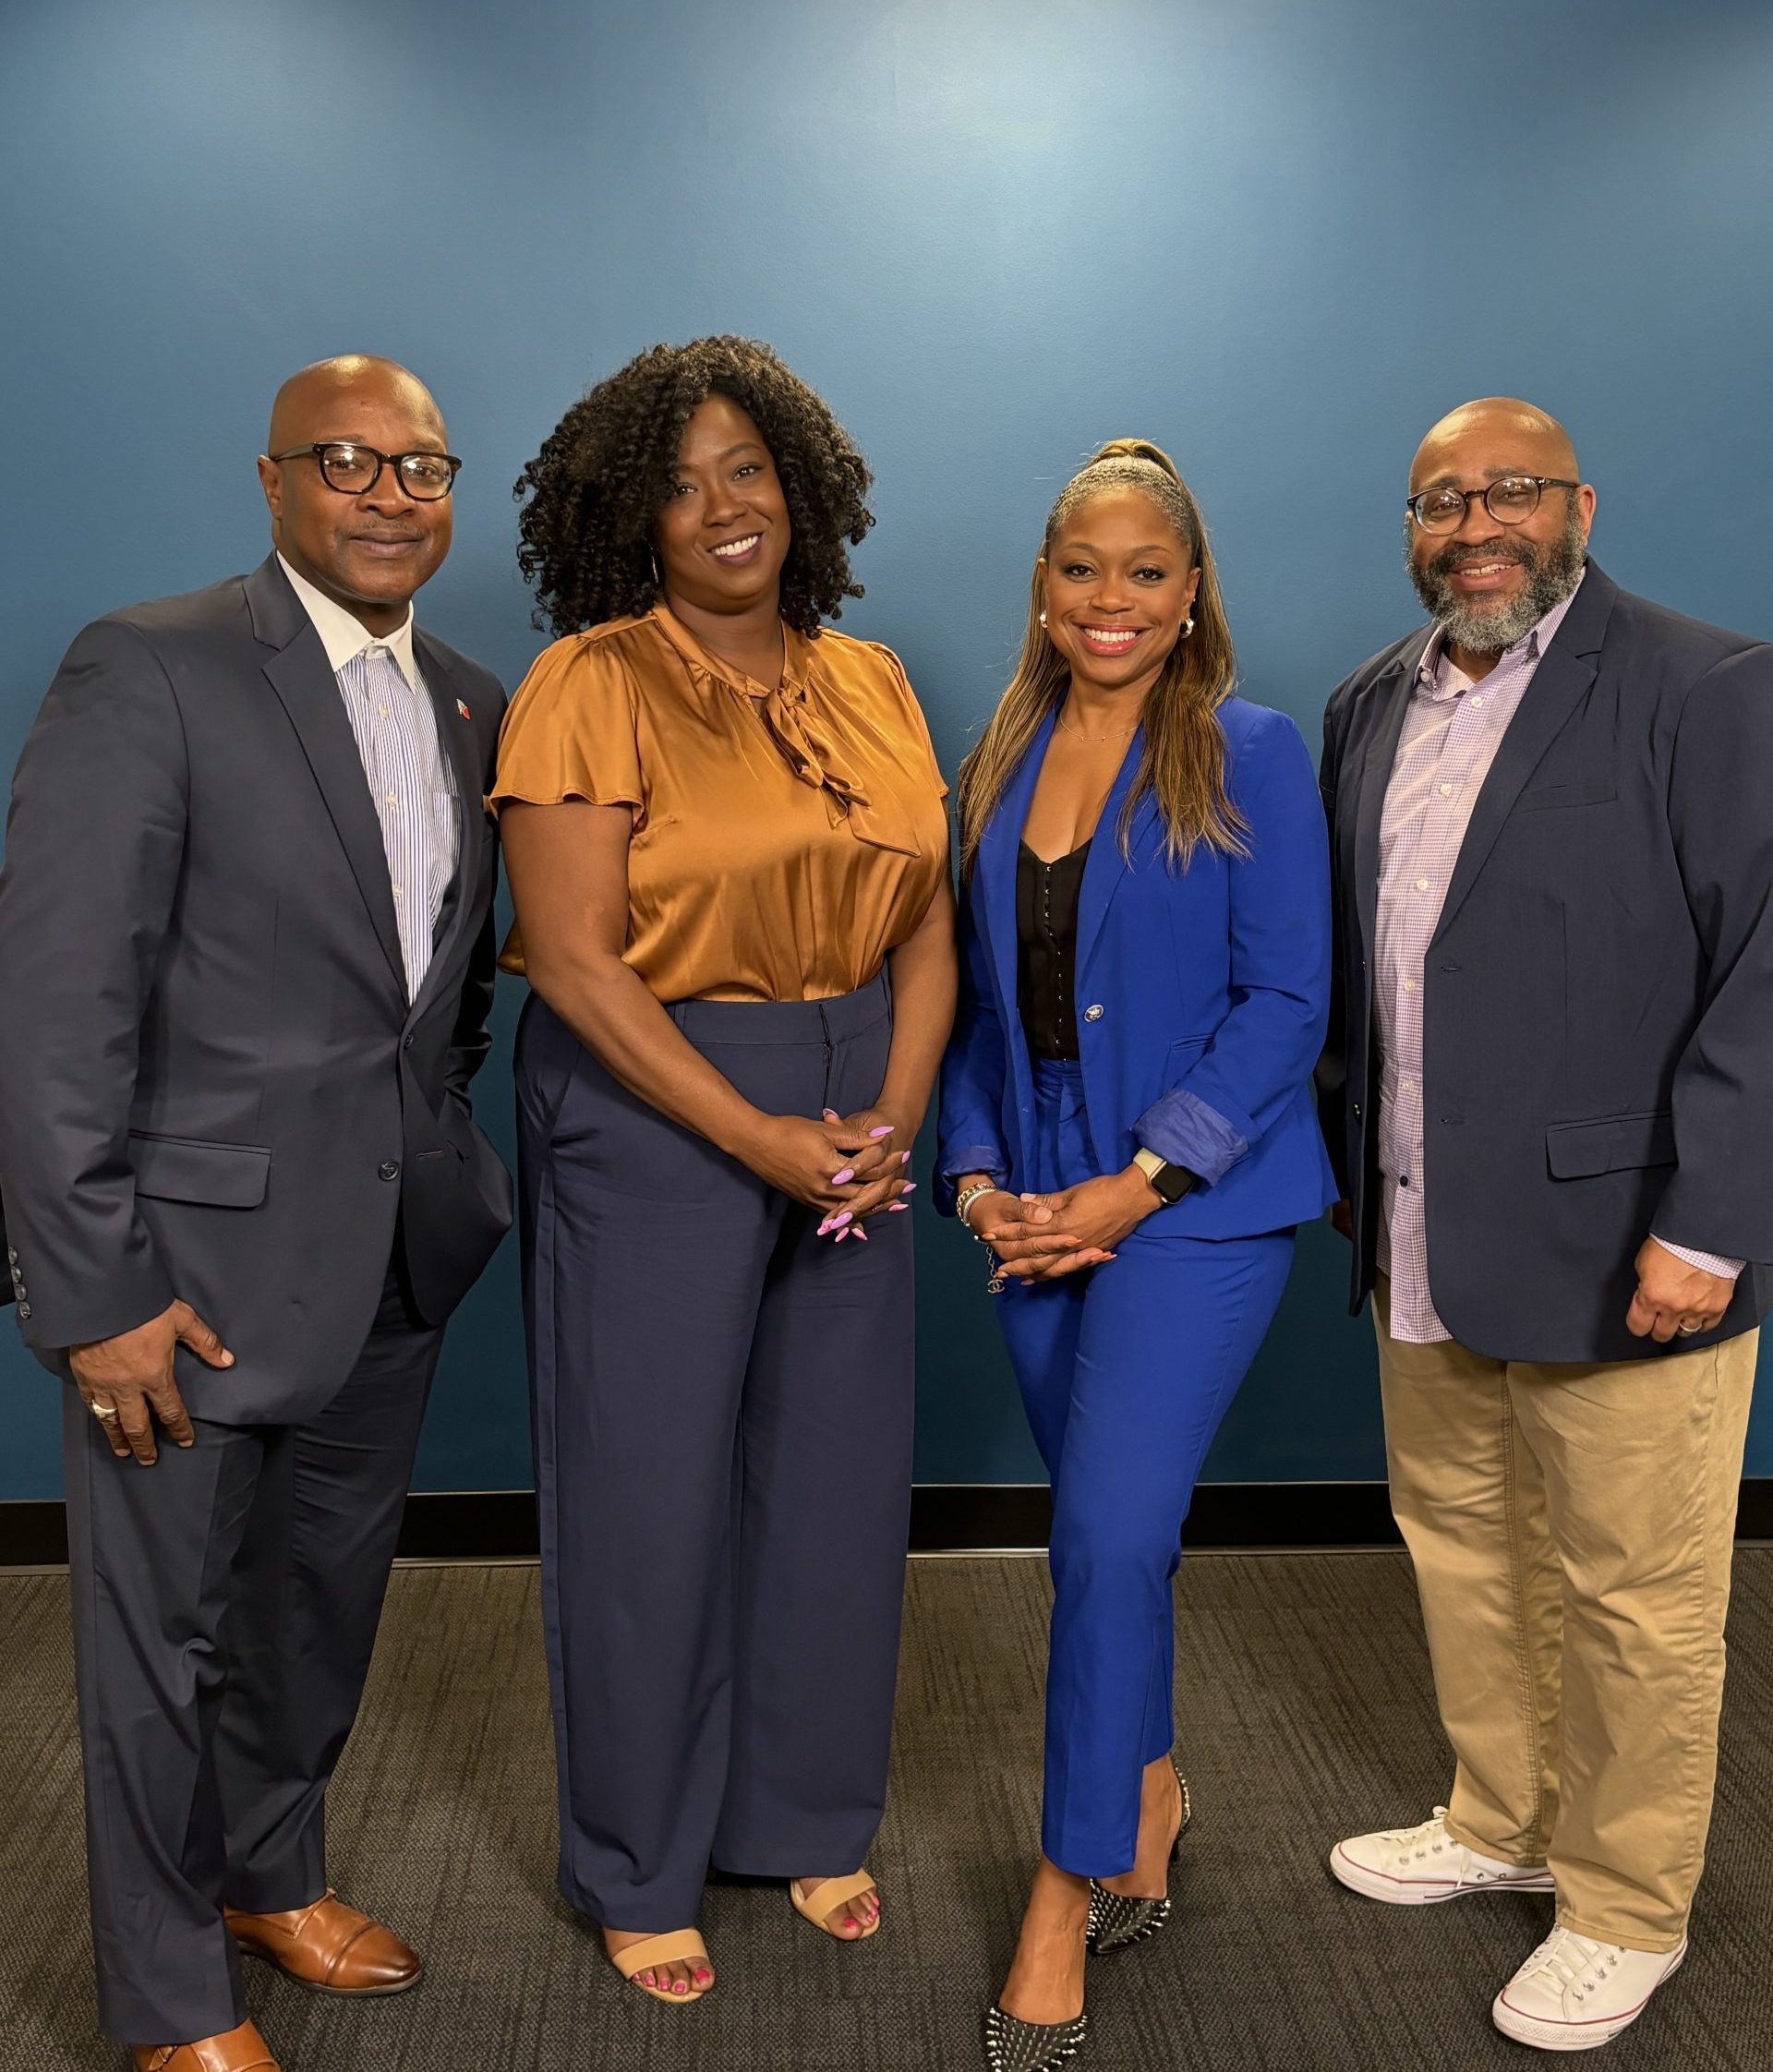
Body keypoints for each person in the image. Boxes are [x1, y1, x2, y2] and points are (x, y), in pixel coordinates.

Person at [0, 355, 512, 2072]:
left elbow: (438, 994)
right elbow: (56, 999)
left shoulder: (469, 698)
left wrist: (445, 1169)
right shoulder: (150, 666)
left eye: (422, 466)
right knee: (159, 1652)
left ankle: (270, 1874)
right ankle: (163, 1998)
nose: (389, 494)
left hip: (389, 1263)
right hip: (182, 1280)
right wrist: (84, 1284)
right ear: (277, 480)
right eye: (351, 461)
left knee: (318, 1610)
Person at [493, 335, 955, 2004]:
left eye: (747, 471)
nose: (721, 508)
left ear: (802, 488)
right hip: (660, 1100)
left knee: (832, 1490)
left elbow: (927, 928)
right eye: (679, 486)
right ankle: (639, 1860)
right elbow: (574, 958)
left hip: (856, 1107)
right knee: (650, 1495)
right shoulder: (588, 682)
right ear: (634, 517)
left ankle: (807, 1815)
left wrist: (888, 1118)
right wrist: (759, 1133)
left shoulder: (878, 680)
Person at [1319, 397, 1772, 2053]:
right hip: (1428, 1230)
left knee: (1639, 1597)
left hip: (1637, 1241)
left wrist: (1714, 1223)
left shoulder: (1706, 685)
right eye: (1441, 498)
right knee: (1468, 1549)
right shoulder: (1374, 702)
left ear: (1579, 501)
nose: (1475, 522)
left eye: (1509, 490)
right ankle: (1502, 1822)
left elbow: (1767, 972)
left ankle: (1627, 1906)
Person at [937, 440, 1335, 2071]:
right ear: (1045, 588)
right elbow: (965, 1007)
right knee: (1124, 1542)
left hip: (1192, 1206)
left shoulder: (1250, 750)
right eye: (1082, 569)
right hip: (1030, 1196)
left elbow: (1288, 1003)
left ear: (1191, 596)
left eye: (1145, 571)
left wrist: (1139, 1181)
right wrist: (974, 1183)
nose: (1112, 599)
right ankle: (1153, 1791)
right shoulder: (997, 758)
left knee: (1098, 1542)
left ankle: (1064, 1881)